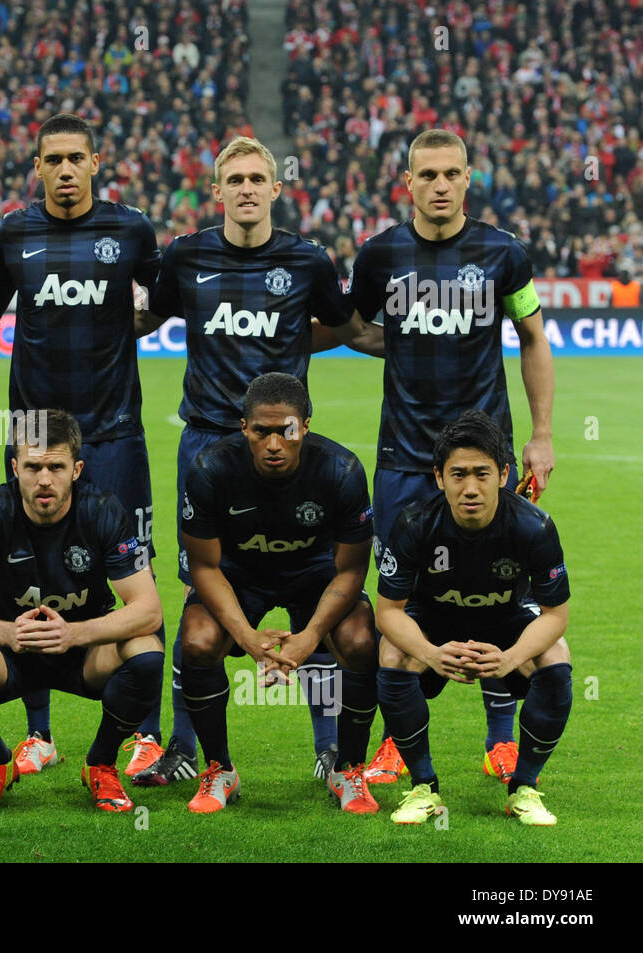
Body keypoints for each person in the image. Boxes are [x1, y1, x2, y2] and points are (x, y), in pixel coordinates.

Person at [140, 135, 383, 786]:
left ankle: (330, 750)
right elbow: (148, 316)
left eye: (258, 178)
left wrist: (410, 343)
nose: (246, 188)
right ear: (216, 192)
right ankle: (185, 748)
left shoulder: (306, 261)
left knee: (317, 591)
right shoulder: (186, 255)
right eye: (234, 179)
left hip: (287, 449)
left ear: (277, 190)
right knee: (202, 594)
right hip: (209, 446)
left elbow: (347, 327)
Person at [348, 128, 556, 786]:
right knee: (401, 602)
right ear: (406, 182)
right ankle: (397, 741)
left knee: (498, 589)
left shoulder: (503, 253)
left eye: (451, 174)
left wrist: (543, 433)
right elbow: (355, 325)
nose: (440, 185)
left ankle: (501, 736)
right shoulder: (379, 255)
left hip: (485, 458)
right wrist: (404, 340)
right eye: (427, 174)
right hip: (405, 458)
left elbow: (532, 335)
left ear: (468, 179)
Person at [0, 113, 166, 779]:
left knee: (136, 575)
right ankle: (39, 733)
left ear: (97, 161)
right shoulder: (13, 233)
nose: (64, 170)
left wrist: (128, 323)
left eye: (75, 158)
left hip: (115, 431)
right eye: (51, 159)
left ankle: (146, 734)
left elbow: (165, 298)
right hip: (35, 436)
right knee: (32, 579)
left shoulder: (131, 228)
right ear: (37, 167)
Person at [0, 410, 164, 812]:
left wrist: (75, 634)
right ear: (16, 467)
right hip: (12, 654)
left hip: (84, 655)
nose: (44, 479)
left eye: (56, 466)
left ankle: (102, 764)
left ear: (77, 469)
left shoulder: (104, 511)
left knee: (145, 649)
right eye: (33, 467)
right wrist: (6, 634)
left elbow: (149, 609)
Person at [179, 373, 380, 814]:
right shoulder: (209, 470)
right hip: (238, 575)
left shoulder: (341, 470)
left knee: (363, 641)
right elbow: (205, 567)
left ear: (305, 426)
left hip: (315, 575)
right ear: (243, 428)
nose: (274, 443)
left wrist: (310, 636)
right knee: (195, 641)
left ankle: (348, 770)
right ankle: (219, 769)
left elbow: (351, 571)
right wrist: (247, 638)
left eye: (286, 430)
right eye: (261, 432)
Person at [376, 411, 571, 826]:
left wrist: (511, 658)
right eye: (458, 474)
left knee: (555, 656)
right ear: (438, 477)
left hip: (505, 624)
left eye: (482, 474)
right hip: (435, 624)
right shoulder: (414, 524)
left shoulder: (534, 527)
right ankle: (423, 787)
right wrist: (429, 653)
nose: (470, 488)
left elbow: (555, 616)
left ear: (503, 475)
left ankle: (525, 787)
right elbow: (388, 612)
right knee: (392, 652)